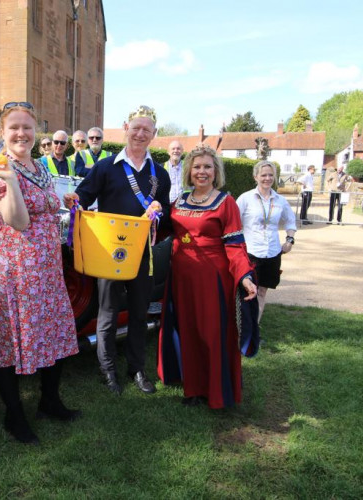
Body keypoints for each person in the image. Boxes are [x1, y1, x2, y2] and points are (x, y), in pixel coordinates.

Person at [0, 101, 80, 444]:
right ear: (2, 130)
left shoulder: (40, 165)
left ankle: (50, 402)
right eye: (14, 127)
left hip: (46, 265)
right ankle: (14, 417)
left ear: (35, 129)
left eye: (27, 127)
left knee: (54, 328)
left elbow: (47, 205)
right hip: (15, 267)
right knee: (12, 340)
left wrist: (63, 201)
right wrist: (9, 180)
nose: (21, 133)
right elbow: (19, 221)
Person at [64, 105, 171, 395]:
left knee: (138, 313)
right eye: (136, 127)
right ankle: (108, 370)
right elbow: (84, 197)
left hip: (142, 255)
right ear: (126, 127)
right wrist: (75, 200)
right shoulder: (105, 167)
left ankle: (137, 369)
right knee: (108, 314)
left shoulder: (159, 173)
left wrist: (160, 209)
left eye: (146, 129)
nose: (140, 133)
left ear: (154, 134)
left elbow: (167, 216)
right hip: (110, 254)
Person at [157, 146, 257, 408]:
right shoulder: (179, 201)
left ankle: (214, 390)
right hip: (181, 277)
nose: (202, 172)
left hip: (212, 279)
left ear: (216, 172)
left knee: (211, 333)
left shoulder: (226, 203)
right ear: (189, 170)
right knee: (187, 331)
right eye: (197, 166)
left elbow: (235, 245)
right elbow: (163, 230)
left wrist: (245, 276)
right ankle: (193, 388)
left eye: (207, 167)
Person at [236, 160, 297, 323]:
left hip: (272, 252)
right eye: (263, 175)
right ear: (256, 177)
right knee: (246, 292)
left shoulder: (280, 200)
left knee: (262, 291)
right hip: (251, 252)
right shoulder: (245, 198)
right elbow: (233, 222)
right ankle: (241, 328)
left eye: (271, 175)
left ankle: (254, 329)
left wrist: (290, 240)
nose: (267, 178)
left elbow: (291, 221)